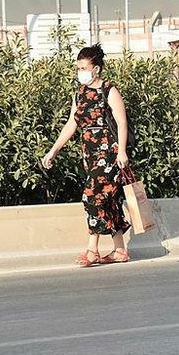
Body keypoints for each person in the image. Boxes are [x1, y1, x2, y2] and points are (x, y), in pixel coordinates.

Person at [41, 44, 131, 267]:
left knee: (91, 196)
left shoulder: (109, 90)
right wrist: (54, 150)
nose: (80, 71)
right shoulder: (80, 94)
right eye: (78, 67)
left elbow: (121, 121)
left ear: (97, 69)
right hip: (90, 154)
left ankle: (92, 250)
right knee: (108, 200)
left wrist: (121, 151)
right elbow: (72, 123)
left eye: (84, 67)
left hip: (109, 153)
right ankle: (120, 250)